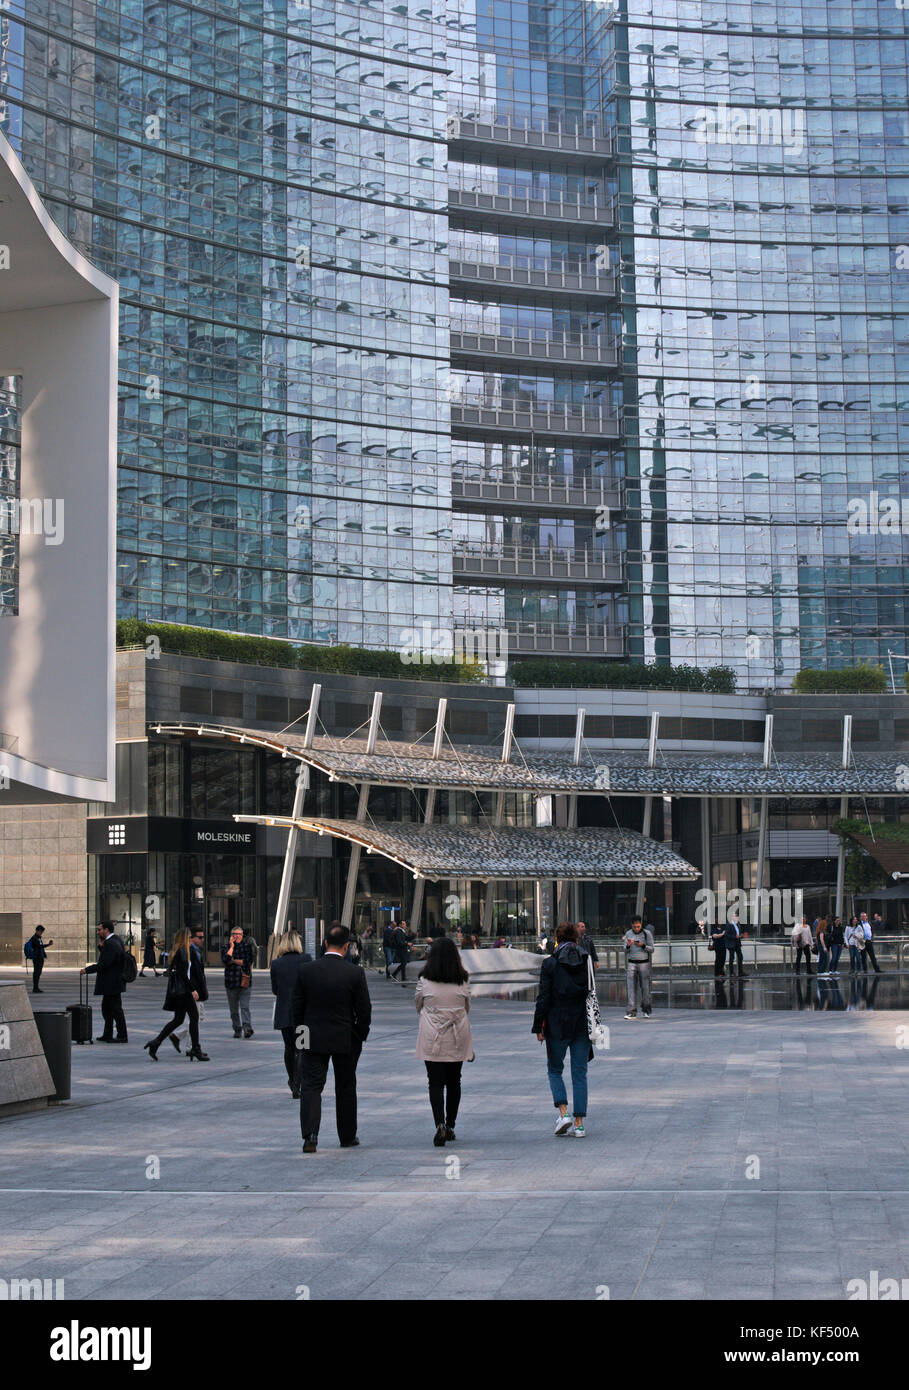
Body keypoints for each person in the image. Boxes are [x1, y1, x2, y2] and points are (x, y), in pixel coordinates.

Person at [292, 921, 372, 1154]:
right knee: (346, 1086)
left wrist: (300, 1039)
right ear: (346, 947)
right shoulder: (354, 973)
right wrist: (359, 1035)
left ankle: (310, 1136)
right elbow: (364, 1009)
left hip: (313, 1038)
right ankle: (347, 1136)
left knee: (311, 1086)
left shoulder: (306, 970)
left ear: (325, 943)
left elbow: (297, 1008)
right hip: (345, 1038)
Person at [531, 921, 591, 1138]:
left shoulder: (550, 963)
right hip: (581, 1023)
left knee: (555, 1070)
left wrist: (538, 1025)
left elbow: (543, 996)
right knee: (580, 1073)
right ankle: (580, 1123)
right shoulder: (586, 959)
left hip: (556, 1022)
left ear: (557, 938)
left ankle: (563, 1113)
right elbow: (591, 991)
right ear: (576, 938)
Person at [415, 936, 473, 1146]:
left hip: (433, 1034)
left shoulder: (424, 980)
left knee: (435, 1081)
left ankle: (438, 1123)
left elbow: (418, 1004)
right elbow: (467, 1006)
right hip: (457, 1033)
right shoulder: (463, 978)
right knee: (454, 1080)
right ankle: (450, 1125)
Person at [145, 928, 208, 1061]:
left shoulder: (179, 952)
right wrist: (193, 990)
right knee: (194, 1018)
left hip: (181, 992)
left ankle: (156, 1043)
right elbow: (183, 974)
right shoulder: (183, 952)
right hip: (184, 992)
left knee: (178, 1020)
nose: (191, 939)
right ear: (185, 938)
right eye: (190, 937)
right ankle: (195, 1048)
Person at [270, 930, 312, 1098]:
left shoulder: (276, 964)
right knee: (302, 1048)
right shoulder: (306, 960)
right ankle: (298, 1083)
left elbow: (275, 990)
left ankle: (291, 1079)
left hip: (284, 1012)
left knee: (288, 1047)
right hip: (303, 1014)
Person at [81, 921, 128, 1043]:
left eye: (99, 930)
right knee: (107, 1009)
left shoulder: (111, 943)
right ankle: (108, 1033)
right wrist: (101, 948)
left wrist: (87, 970)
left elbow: (104, 963)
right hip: (113, 982)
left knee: (116, 1009)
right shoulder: (115, 940)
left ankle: (122, 1035)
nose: (98, 932)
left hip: (112, 982)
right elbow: (111, 958)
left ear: (106, 930)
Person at [171, 928, 208, 1052]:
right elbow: (187, 973)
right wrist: (194, 989)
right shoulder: (188, 951)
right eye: (200, 937)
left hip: (193, 990)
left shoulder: (194, 951)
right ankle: (190, 1046)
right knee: (195, 1018)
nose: (202, 940)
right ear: (192, 938)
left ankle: (179, 1038)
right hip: (192, 991)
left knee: (194, 1017)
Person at [221, 925, 256, 1037]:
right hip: (231, 982)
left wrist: (233, 961)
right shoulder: (225, 947)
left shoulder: (247, 947)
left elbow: (247, 961)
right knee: (234, 1010)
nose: (236, 936)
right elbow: (225, 960)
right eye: (234, 934)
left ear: (242, 935)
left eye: (238, 934)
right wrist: (231, 947)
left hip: (244, 981)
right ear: (231, 936)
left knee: (245, 1007)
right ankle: (237, 1029)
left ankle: (247, 1028)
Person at [622, 915, 654, 1019]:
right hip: (631, 962)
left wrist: (642, 945)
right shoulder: (628, 934)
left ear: (641, 925)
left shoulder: (646, 934)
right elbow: (625, 950)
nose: (636, 928)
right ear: (631, 925)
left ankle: (646, 1009)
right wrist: (628, 945)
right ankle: (631, 1011)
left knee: (645, 987)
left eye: (638, 926)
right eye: (635, 926)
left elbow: (652, 949)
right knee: (631, 987)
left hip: (643, 962)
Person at [25, 924, 52, 993]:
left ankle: (36, 987)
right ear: (37, 931)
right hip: (37, 958)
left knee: (38, 973)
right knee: (36, 973)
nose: (41, 933)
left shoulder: (38, 938)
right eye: (40, 931)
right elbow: (39, 946)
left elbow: (40, 947)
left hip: (40, 957)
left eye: (42, 932)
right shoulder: (34, 938)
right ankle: (35, 988)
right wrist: (48, 945)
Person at [725, 913, 747, 977]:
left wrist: (741, 936)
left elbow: (739, 933)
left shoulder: (738, 924)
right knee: (732, 958)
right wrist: (735, 936)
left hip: (737, 943)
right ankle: (731, 973)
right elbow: (726, 935)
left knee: (740, 957)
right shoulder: (729, 925)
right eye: (735, 916)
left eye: (737, 916)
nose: (736, 918)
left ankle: (740, 972)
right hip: (731, 944)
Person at [391, 919, 409, 985]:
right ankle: (394, 974)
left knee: (404, 963)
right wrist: (407, 944)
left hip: (402, 949)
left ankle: (403, 977)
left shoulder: (402, 931)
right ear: (400, 925)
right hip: (400, 950)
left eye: (405, 924)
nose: (405, 925)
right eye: (404, 924)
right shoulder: (398, 932)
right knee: (404, 963)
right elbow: (399, 942)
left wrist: (414, 934)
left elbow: (407, 938)